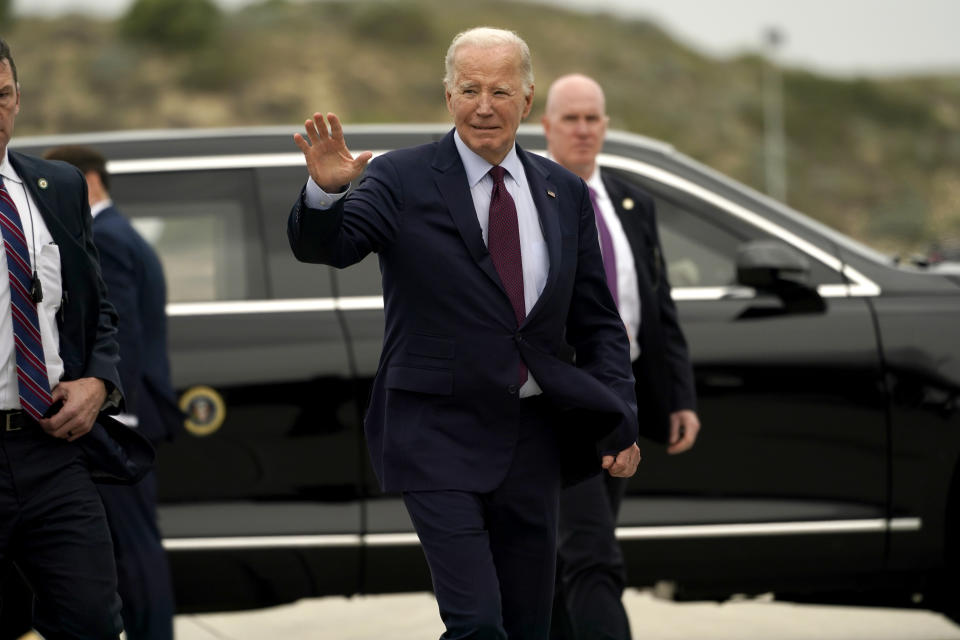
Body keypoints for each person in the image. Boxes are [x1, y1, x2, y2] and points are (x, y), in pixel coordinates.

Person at [288, 27, 641, 640]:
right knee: (477, 624)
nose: (484, 105)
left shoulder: (565, 194)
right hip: (435, 435)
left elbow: (598, 325)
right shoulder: (399, 178)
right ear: (447, 96)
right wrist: (325, 191)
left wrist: (620, 416)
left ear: (527, 101)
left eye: (500, 91)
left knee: (528, 625)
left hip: (532, 442)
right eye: (470, 89)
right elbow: (334, 247)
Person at [542, 74, 701, 640]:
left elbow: (657, 305)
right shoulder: (530, 198)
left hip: (621, 393)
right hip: (559, 399)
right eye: (571, 119)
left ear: (606, 125)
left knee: (572, 557)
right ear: (547, 127)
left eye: (593, 118)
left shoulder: (634, 202)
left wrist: (677, 394)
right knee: (591, 552)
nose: (583, 130)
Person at [0, 37, 134, 639]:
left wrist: (98, 383)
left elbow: (96, 310)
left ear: (18, 99)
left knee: (92, 622)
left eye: (1, 97)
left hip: (50, 448)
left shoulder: (56, 185)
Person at [40, 145, 181, 640]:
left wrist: (114, 413)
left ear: (88, 182)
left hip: (122, 418)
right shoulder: (119, 232)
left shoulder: (105, 237)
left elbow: (118, 336)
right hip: (128, 414)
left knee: (132, 547)